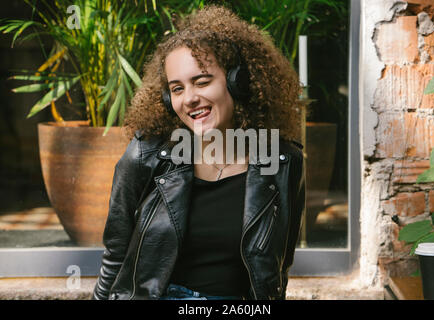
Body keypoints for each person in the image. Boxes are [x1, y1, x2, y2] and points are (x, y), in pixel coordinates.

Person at [92, 4, 305, 300]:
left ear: (238, 82)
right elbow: (115, 256)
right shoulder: (146, 155)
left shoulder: (282, 162)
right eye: (177, 89)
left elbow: (278, 270)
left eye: (202, 82)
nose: (189, 99)